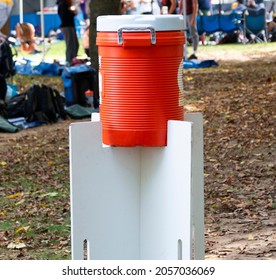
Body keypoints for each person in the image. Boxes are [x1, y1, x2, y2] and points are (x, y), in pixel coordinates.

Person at [57, 0, 79, 65]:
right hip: (66, 26)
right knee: (70, 45)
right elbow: (65, 17)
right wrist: (72, 13)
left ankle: (73, 59)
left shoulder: (65, 5)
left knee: (75, 44)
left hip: (70, 26)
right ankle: (70, 61)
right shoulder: (63, 4)